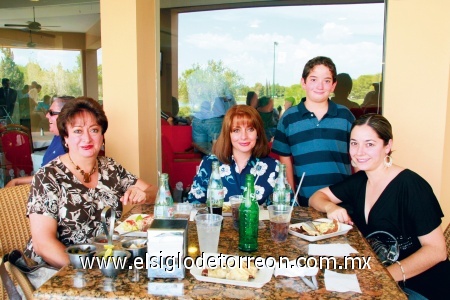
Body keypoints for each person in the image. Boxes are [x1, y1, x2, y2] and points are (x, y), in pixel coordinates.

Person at [309, 114, 450, 299]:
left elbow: (437, 251)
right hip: (378, 279)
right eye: (354, 143)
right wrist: (330, 207)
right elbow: (316, 197)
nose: (359, 152)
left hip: (421, 286)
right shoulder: (360, 180)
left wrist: (382, 277)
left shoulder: (411, 185)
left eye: (369, 144)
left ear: (388, 146)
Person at [24, 97, 157, 268]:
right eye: (78, 131)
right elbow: (43, 244)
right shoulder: (48, 177)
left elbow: (155, 192)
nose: (87, 139)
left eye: (94, 130)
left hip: (103, 262)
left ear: (102, 136)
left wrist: (144, 194)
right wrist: (86, 272)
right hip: (55, 270)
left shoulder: (110, 168)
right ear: (65, 137)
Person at [272, 56, 355, 206]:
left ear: (334, 85)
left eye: (327, 81)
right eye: (313, 79)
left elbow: (358, 159)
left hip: (342, 203)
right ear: (303, 82)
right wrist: (292, 198)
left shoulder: (346, 117)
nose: (320, 86)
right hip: (305, 203)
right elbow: (285, 162)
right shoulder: (288, 118)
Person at [188, 105, 279, 205]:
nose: (244, 137)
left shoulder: (273, 167)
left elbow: (284, 210)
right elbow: (194, 205)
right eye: (236, 130)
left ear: (258, 133)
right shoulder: (209, 163)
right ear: (228, 134)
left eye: (250, 129)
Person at [6, 96, 75, 187]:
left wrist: (17, 181)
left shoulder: (72, 144)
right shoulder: (58, 137)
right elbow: (45, 174)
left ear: (66, 116)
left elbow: (54, 177)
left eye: (51, 113)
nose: (46, 115)